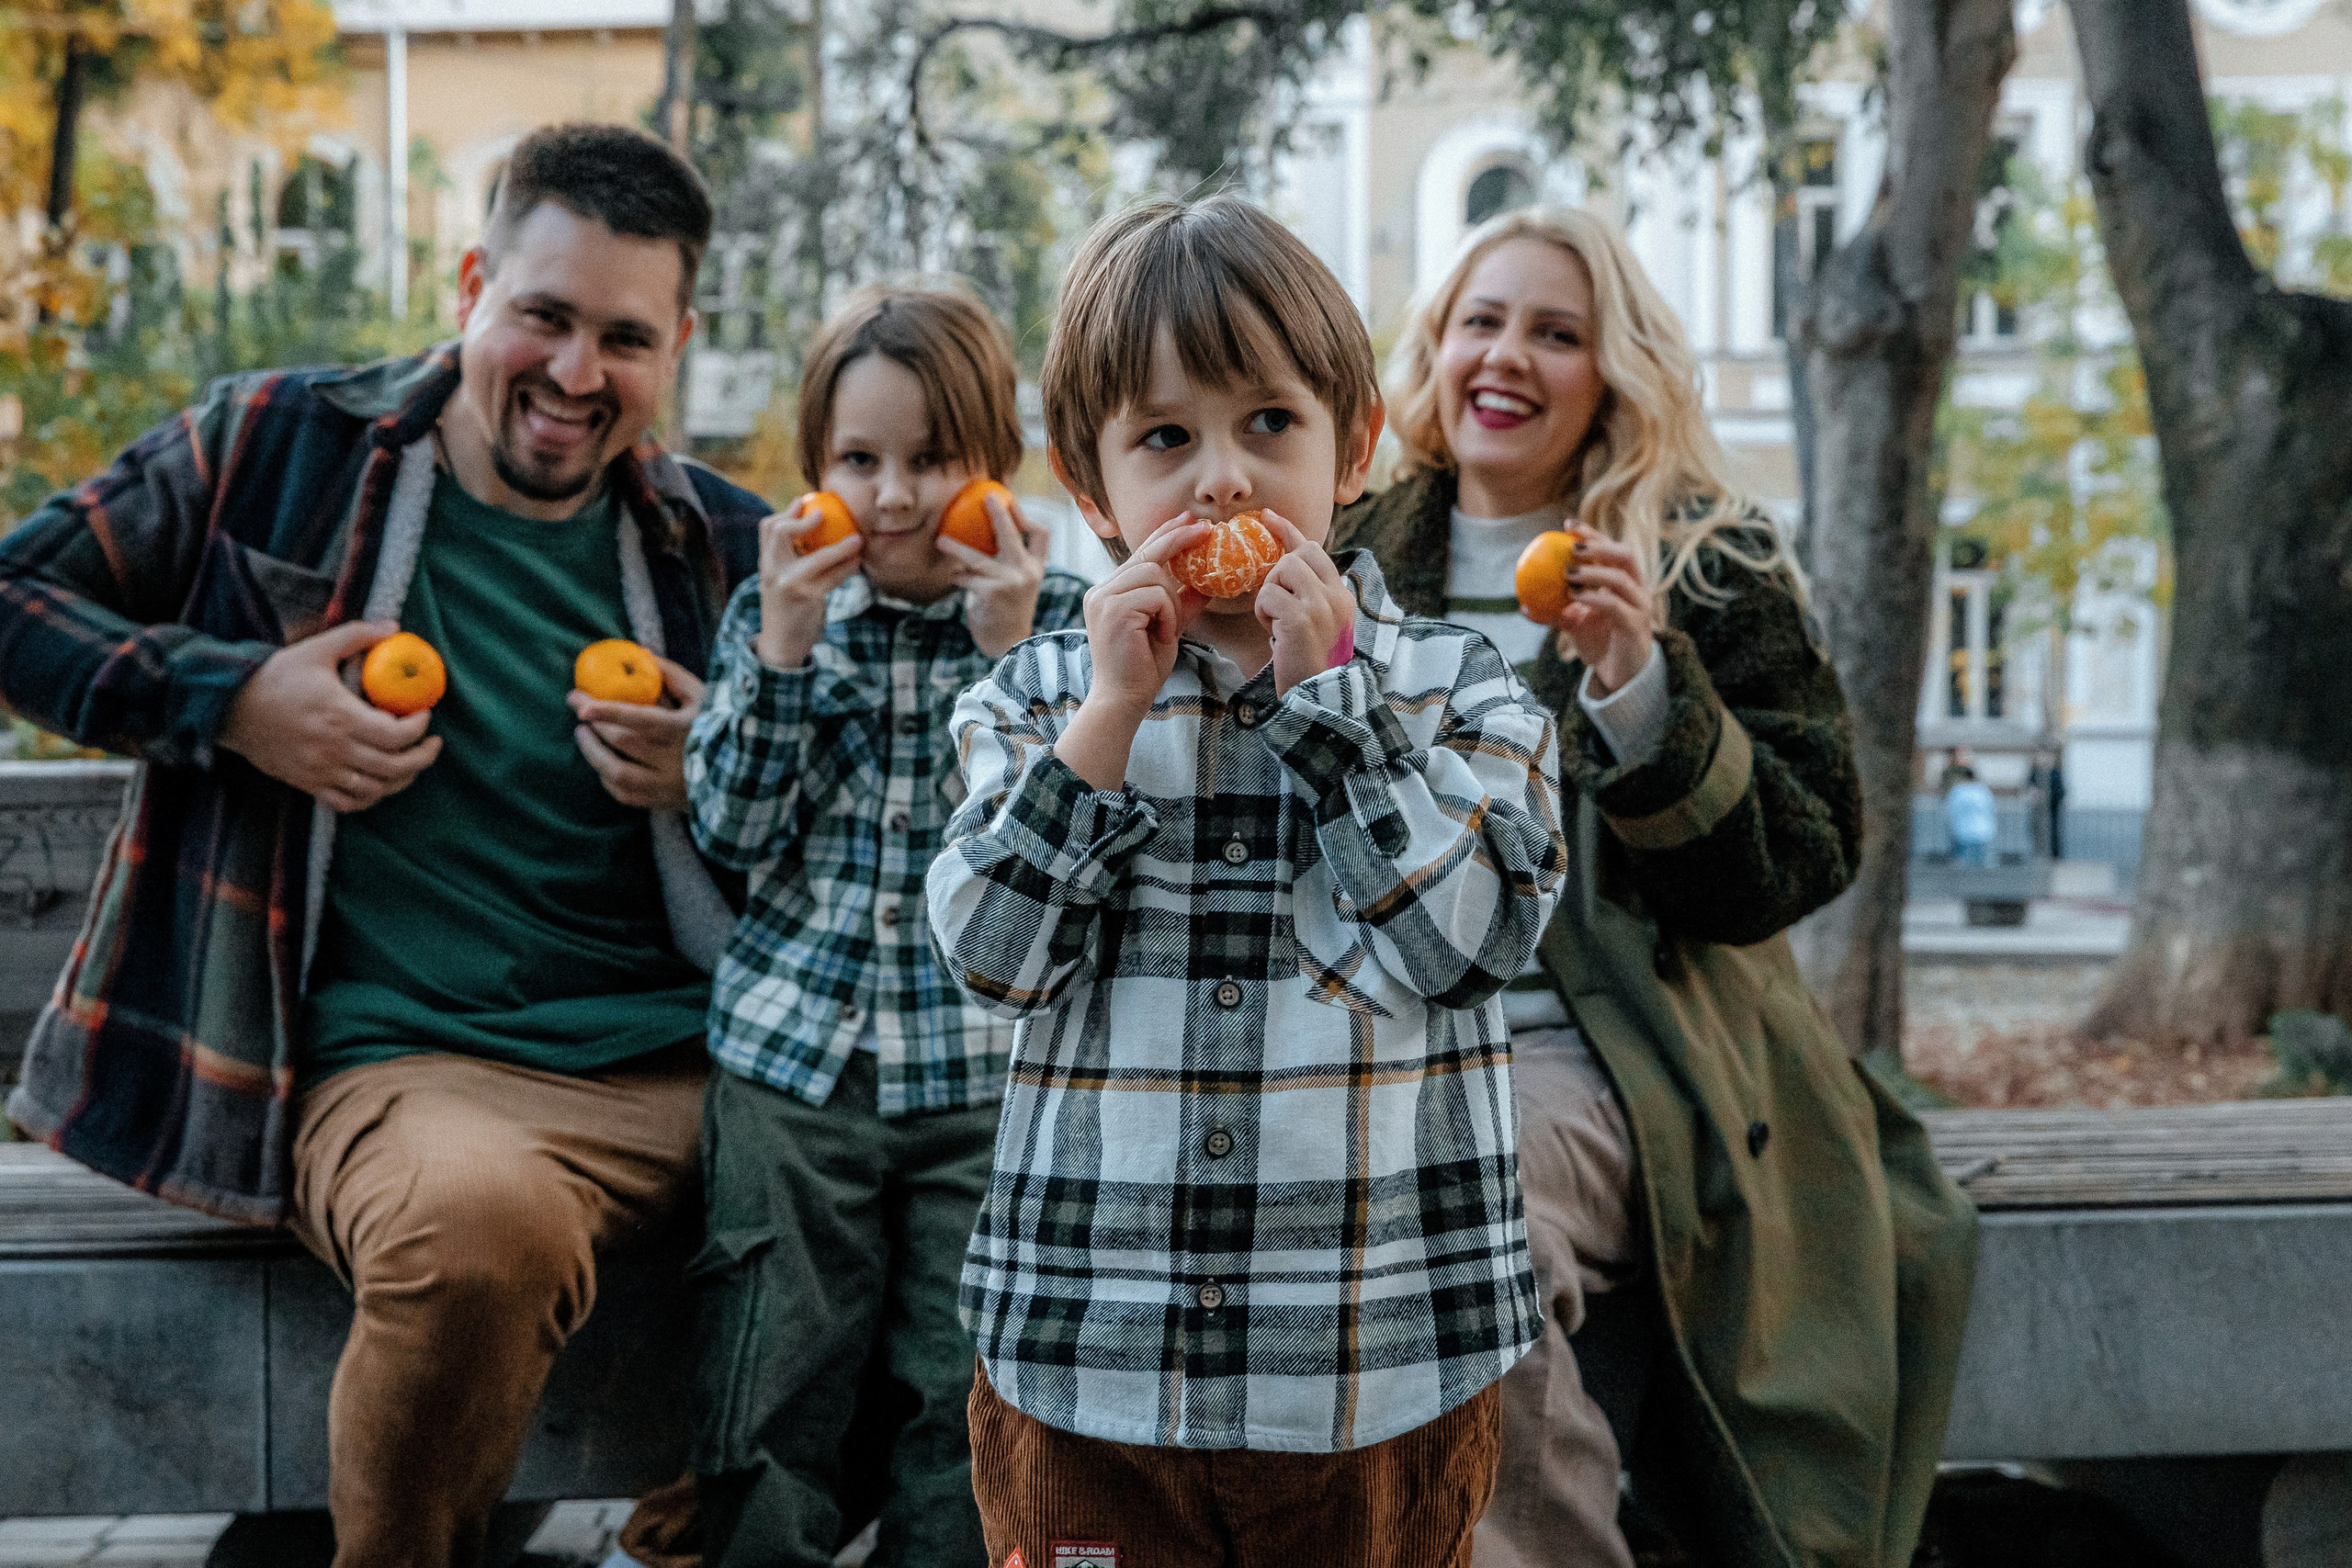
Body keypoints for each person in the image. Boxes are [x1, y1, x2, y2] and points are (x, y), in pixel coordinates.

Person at [0, 123, 768, 1567]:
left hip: (690, 1068)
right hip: (404, 1069)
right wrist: (232, 701)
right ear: (473, 281)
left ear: (680, 340)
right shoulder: (280, 446)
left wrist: (722, 761)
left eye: (625, 337)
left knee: (932, 1183)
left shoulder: (721, 546)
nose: (576, 375)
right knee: (481, 1237)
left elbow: (910, 775)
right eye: (541, 315)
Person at [925, 195, 1568, 1567]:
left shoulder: (1462, 692)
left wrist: (1336, 709)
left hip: (1371, 1369)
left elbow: (1465, 951)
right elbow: (989, 955)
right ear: (1090, 491)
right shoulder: (1036, 701)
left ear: (1356, 449)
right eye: (1166, 437)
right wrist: (1104, 725)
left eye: (1268, 424)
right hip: (1089, 1366)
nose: (1222, 479)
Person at [1332, 206, 1978, 1568]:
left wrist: (1641, 687)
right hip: (1369, 1039)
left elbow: (1803, 857)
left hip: (1608, 1051)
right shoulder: (1351, 555)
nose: (1509, 356)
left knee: (1461, 1211)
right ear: (1437, 349)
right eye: (1483, 322)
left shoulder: (1703, 560)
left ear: (1611, 372)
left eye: (1556, 333)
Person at [681, 282, 1090, 1566]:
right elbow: (735, 838)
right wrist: (788, 656)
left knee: (962, 1400)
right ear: (815, 471)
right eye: (861, 460)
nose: (900, 498)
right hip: (796, 1074)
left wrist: (1004, 653)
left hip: (985, 1082)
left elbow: (1061, 861)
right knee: (768, 1385)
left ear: (995, 467)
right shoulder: (780, 613)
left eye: (933, 459)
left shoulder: (1064, 628)